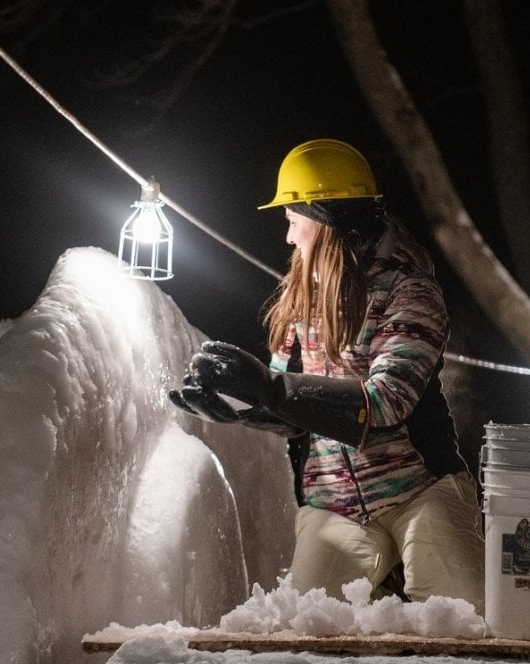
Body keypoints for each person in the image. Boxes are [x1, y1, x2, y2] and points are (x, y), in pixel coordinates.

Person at [170, 138, 483, 607]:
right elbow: (295, 408)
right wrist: (241, 406)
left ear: (328, 220)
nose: (289, 238)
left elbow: (386, 401)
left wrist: (270, 388)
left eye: (294, 222)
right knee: (306, 623)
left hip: (420, 489)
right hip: (334, 499)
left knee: (464, 617)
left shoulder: (410, 290)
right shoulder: (301, 295)